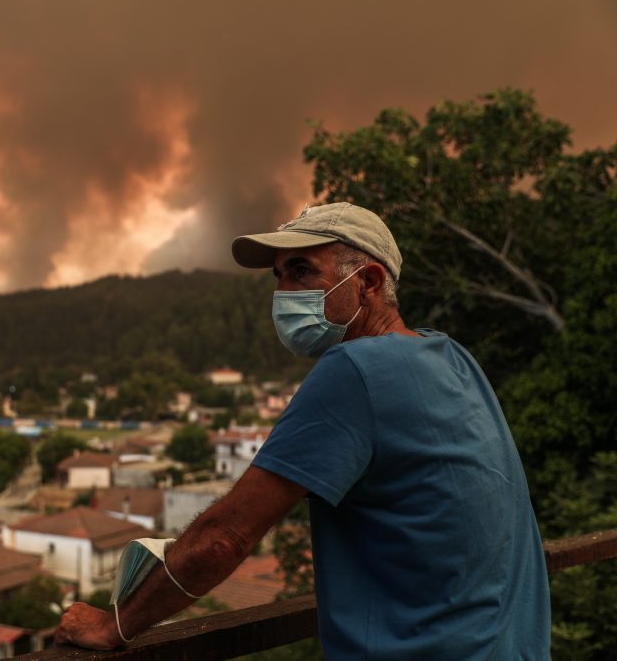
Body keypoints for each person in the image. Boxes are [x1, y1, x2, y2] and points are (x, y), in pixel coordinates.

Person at [55, 202, 550, 659]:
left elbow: (224, 538)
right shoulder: (452, 356)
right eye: (278, 277)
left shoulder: (354, 369)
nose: (284, 293)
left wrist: (114, 625)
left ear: (369, 282)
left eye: (302, 272)